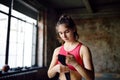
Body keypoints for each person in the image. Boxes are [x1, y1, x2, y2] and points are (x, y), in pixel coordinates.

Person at [47, 14, 94, 80]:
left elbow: (91, 78)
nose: (64, 36)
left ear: (74, 29)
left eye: (67, 31)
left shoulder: (83, 49)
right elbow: (49, 75)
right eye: (60, 33)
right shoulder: (57, 50)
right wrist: (55, 69)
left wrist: (76, 64)